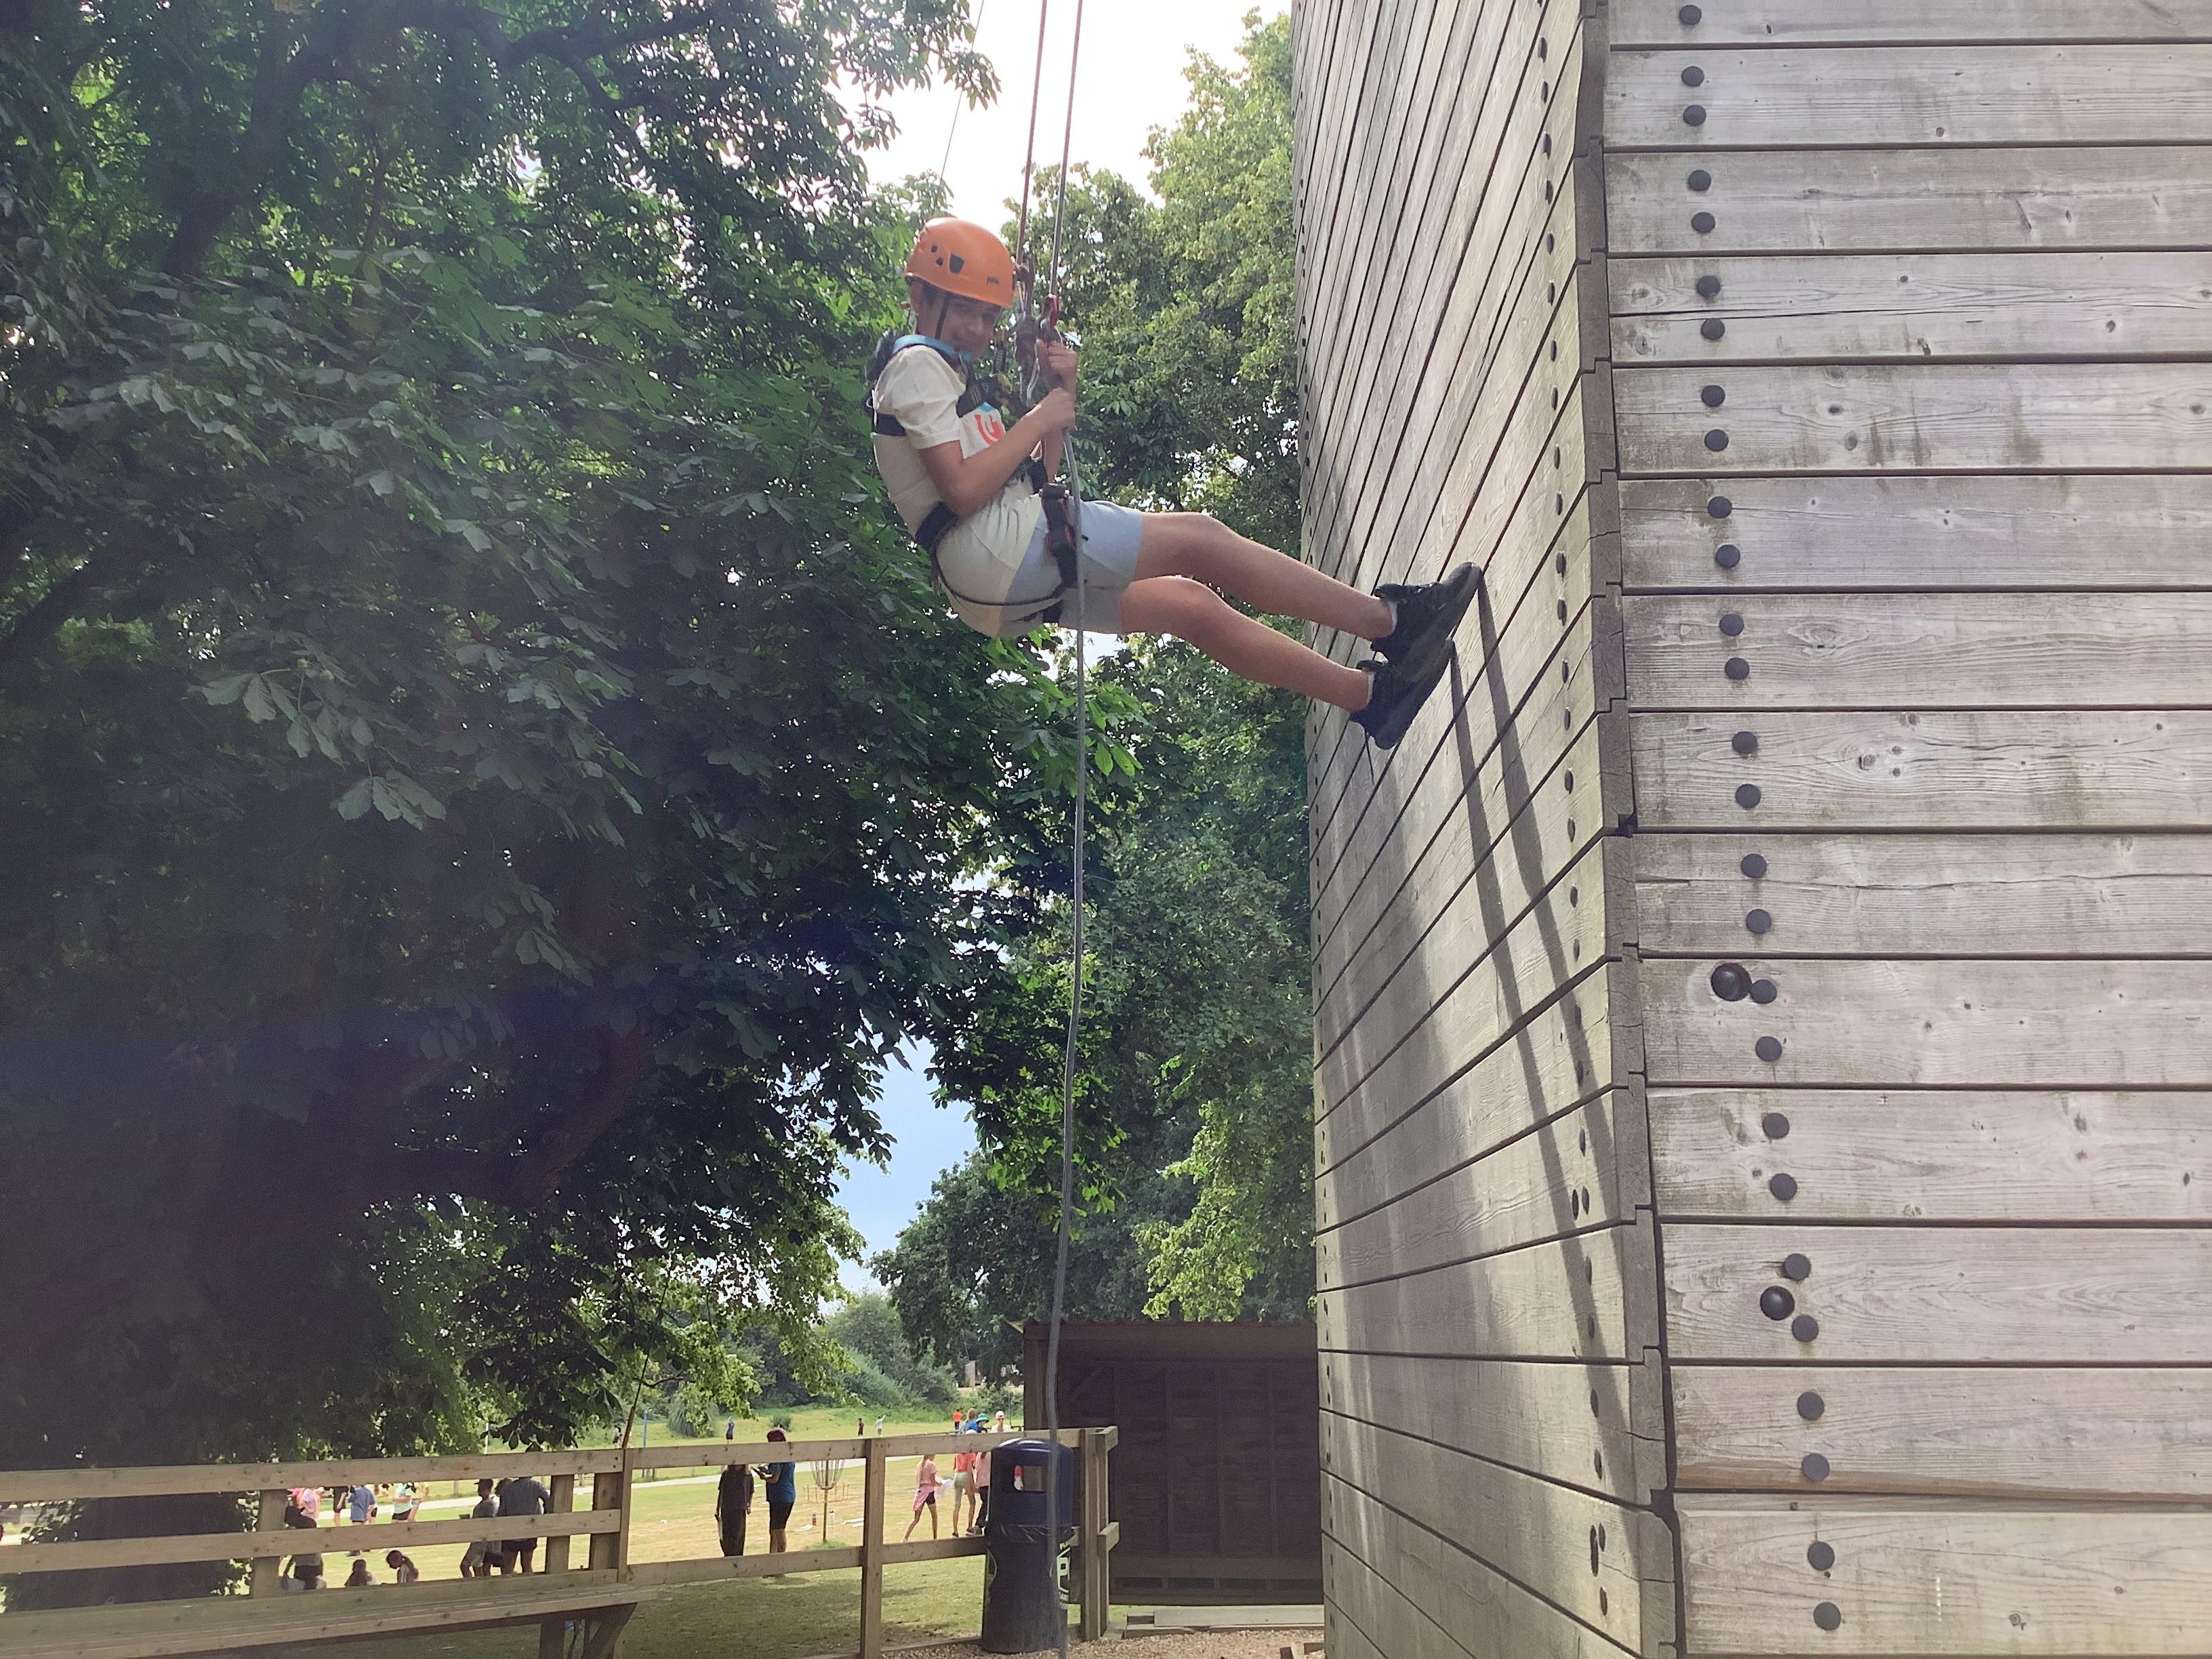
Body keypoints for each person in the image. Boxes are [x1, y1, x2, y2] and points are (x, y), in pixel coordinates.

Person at [867, 218, 1480, 751]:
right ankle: (1394, 622)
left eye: (988, 314)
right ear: (920, 295)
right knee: (1200, 539)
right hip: (993, 553)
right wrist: (1039, 418)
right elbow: (964, 492)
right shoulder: (916, 364)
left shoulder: (946, 377)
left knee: (1191, 607)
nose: (978, 329)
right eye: (965, 308)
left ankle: (1371, 698)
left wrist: (1059, 398)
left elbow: (1035, 482)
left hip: (989, 579)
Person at [758, 1428, 796, 1570]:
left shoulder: (777, 1456)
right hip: (784, 1495)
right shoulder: (788, 1454)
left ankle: (780, 1564)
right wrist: (767, 1471)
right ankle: (772, 1563)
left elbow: (774, 1478)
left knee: (779, 1530)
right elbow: (777, 1472)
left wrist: (764, 1477)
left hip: (781, 1496)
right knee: (774, 1529)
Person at [497, 1471, 550, 1575]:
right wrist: (545, 1515)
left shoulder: (507, 1489)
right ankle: (529, 1583)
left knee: (508, 1567)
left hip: (511, 1532)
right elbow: (548, 1500)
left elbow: (501, 1512)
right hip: (530, 1531)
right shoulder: (536, 1486)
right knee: (527, 1564)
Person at [716, 1456, 755, 1559]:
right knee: (726, 1535)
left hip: (740, 1509)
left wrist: (749, 1505)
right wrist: (718, 1508)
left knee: (738, 1536)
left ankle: (737, 1557)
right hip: (727, 1508)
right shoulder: (727, 1474)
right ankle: (728, 1555)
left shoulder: (747, 1475)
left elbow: (750, 1492)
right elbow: (722, 1492)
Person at [458, 1478, 499, 1578]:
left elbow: (490, 1522)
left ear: (489, 1489)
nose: (479, 1489)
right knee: (477, 1567)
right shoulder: (484, 1504)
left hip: (482, 1543)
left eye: (482, 1487)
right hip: (478, 1540)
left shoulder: (489, 1505)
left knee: (465, 1565)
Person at [283, 1497, 324, 1591]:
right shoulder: (308, 1523)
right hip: (312, 1563)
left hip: (305, 1565)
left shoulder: (298, 1528)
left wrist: (287, 1568)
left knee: (303, 1588)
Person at [902, 1451, 941, 1542]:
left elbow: (918, 1481)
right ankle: (935, 1538)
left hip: (921, 1492)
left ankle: (906, 1537)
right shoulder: (932, 1465)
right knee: (934, 1516)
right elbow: (933, 1482)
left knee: (916, 1519)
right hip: (929, 1492)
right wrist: (940, 1484)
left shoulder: (919, 1465)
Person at [950, 1441, 979, 1536]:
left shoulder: (958, 1453)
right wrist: (972, 1484)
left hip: (957, 1475)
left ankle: (955, 1530)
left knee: (957, 1505)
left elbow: (954, 1467)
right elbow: (969, 1469)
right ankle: (970, 1526)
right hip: (966, 1475)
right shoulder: (971, 1453)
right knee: (972, 1502)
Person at [971, 1443, 992, 1536]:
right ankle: (980, 1523)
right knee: (988, 1505)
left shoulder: (979, 1454)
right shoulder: (991, 1454)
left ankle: (980, 1524)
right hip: (988, 1483)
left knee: (985, 1505)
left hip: (981, 1483)